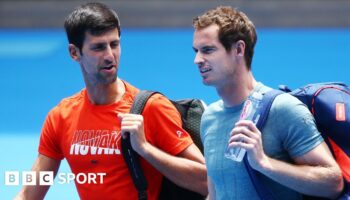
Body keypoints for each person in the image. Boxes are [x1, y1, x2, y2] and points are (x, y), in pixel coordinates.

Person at [15, 2, 207, 200]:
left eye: (114, 44)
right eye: (98, 47)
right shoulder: (60, 117)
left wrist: (145, 149)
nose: (109, 56)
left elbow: (207, 182)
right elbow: (29, 195)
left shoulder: (151, 108)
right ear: (74, 53)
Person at [192, 6, 343, 200]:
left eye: (208, 50)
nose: (197, 60)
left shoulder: (283, 108)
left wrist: (264, 163)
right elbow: (216, 194)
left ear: (239, 49)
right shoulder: (209, 118)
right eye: (196, 51)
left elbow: (333, 183)